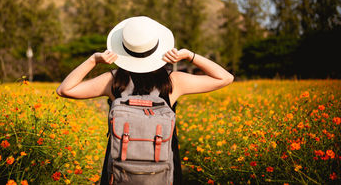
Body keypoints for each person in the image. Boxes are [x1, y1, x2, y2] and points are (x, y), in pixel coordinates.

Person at [56, 16, 234, 185]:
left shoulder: (113, 81)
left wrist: (93, 60)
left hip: (120, 169)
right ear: (158, 47)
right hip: (164, 168)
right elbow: (225, 78)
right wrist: (189, 56)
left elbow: (64, 90)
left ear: (123, 48)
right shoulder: (173, 81)